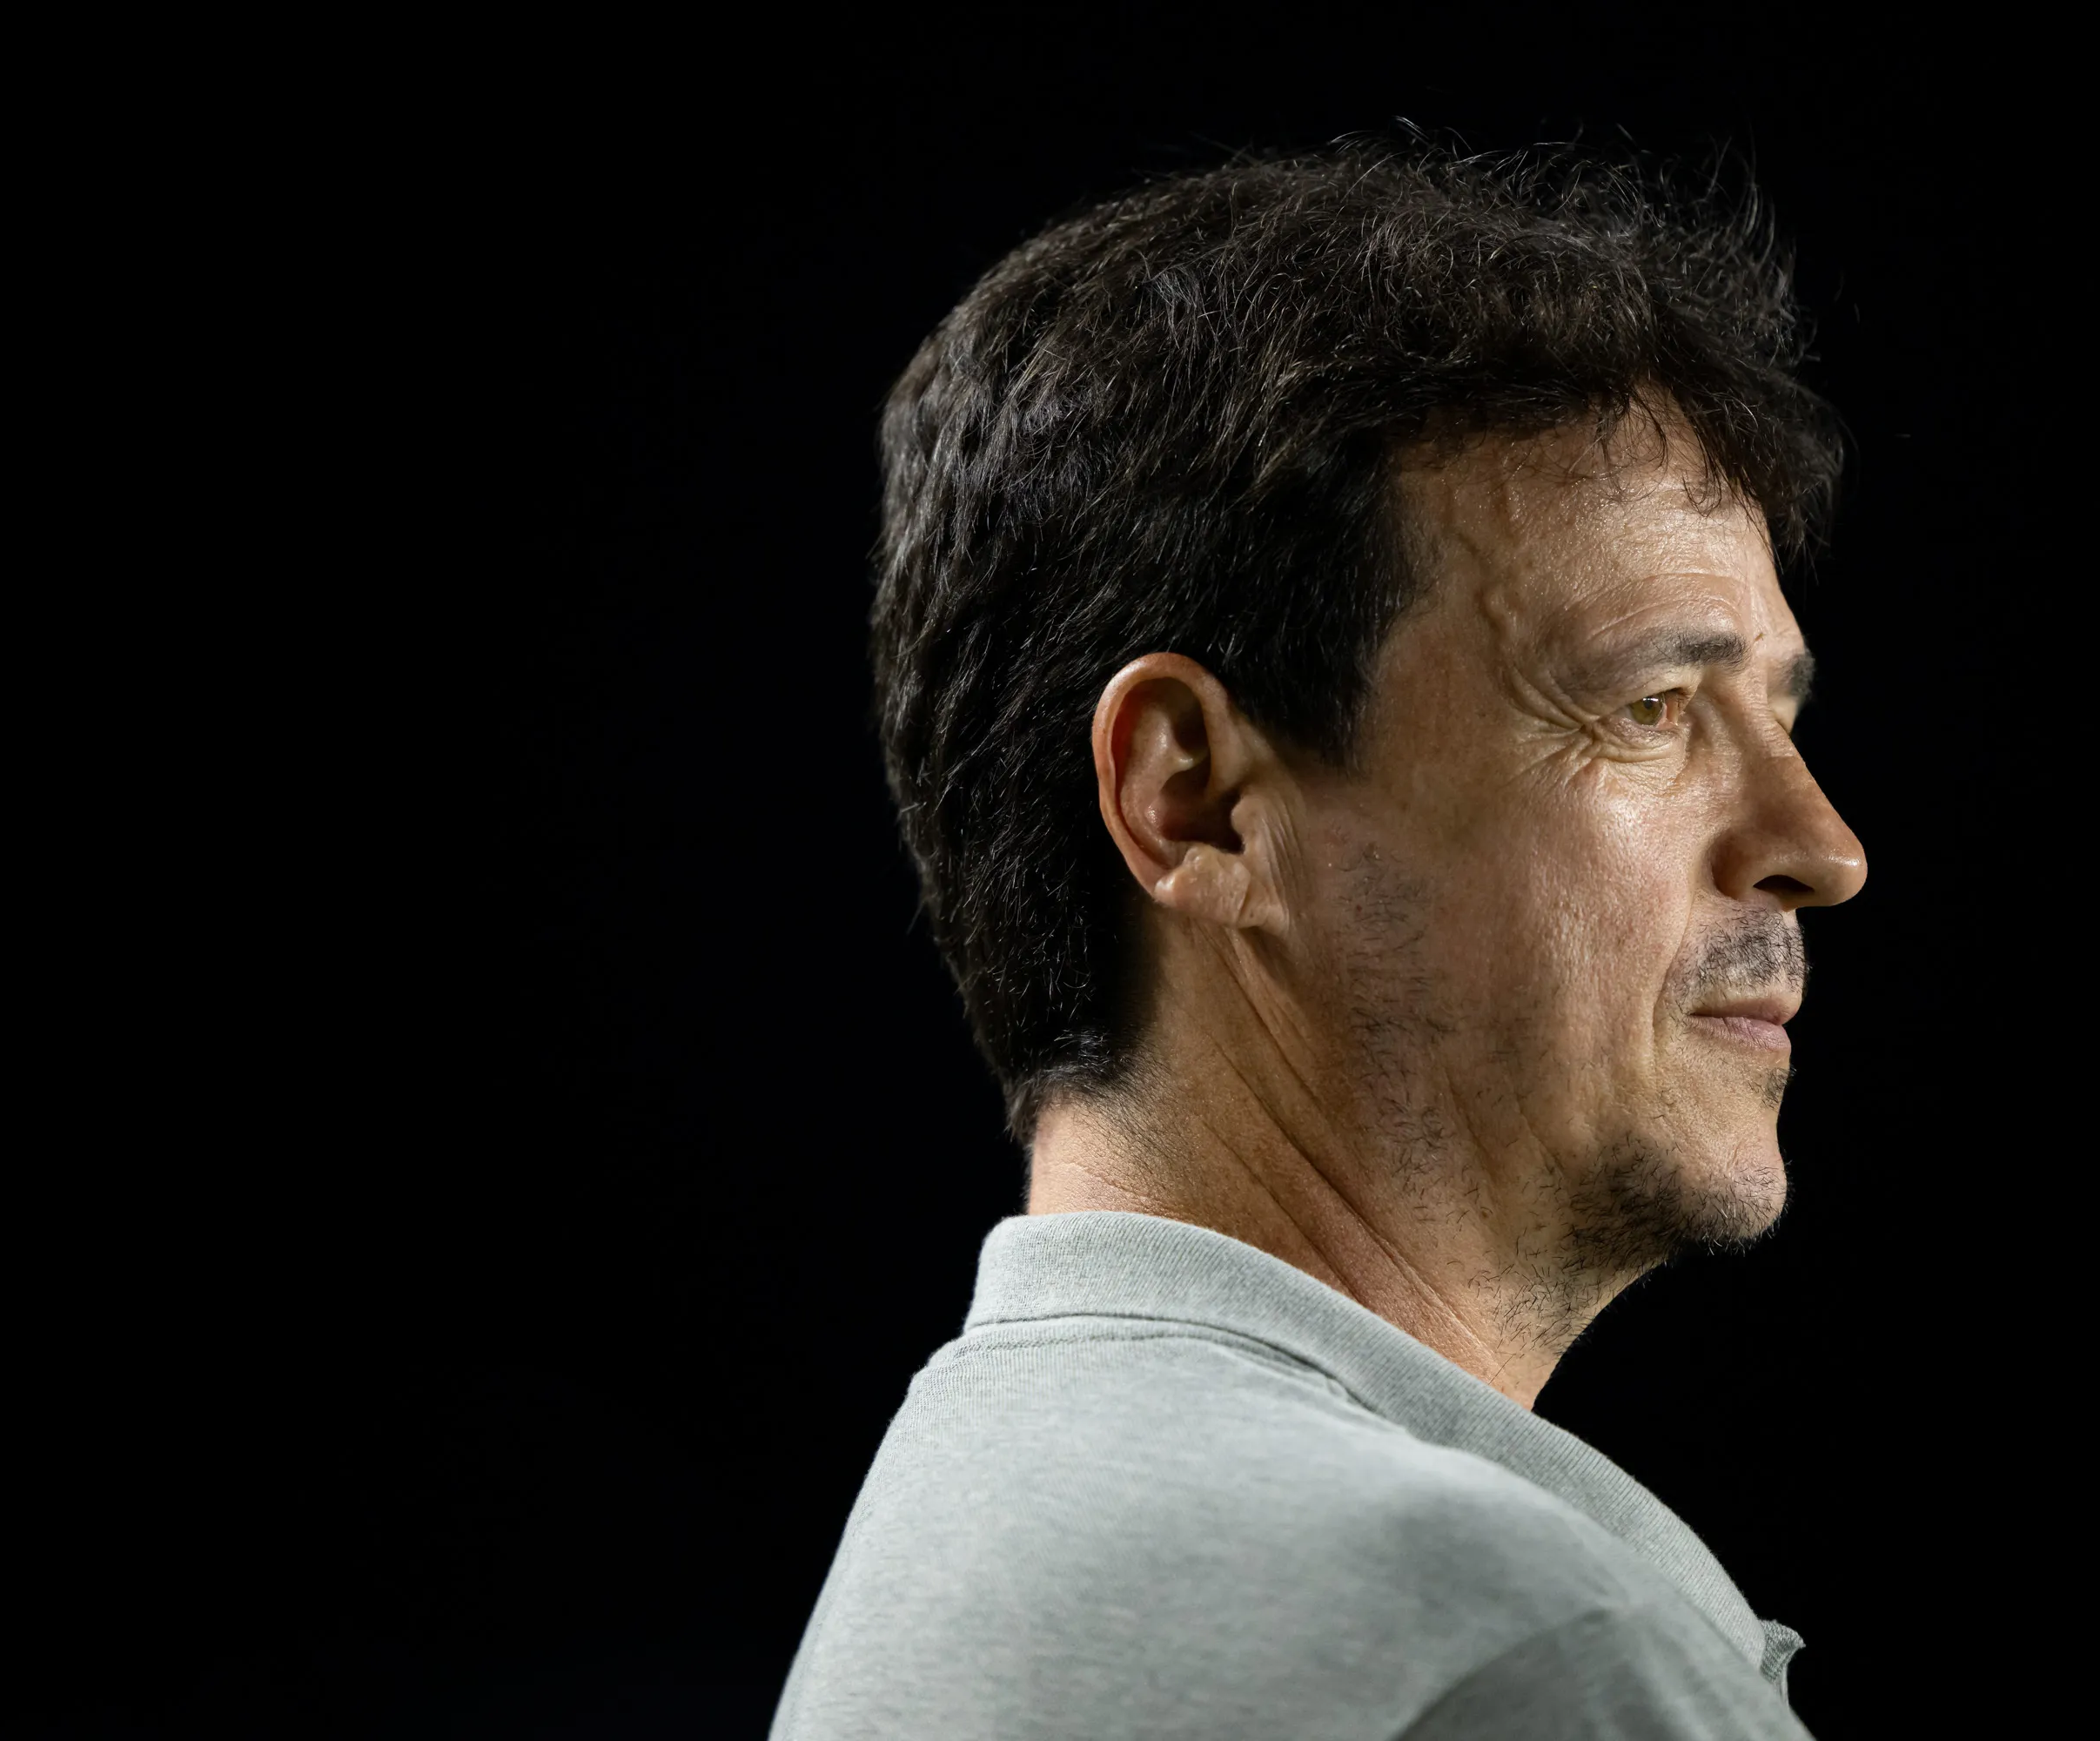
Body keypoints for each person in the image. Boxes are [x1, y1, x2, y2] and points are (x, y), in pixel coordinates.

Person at [773, 144, 1867, 1739]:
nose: (1821, 851)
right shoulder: (1505, 1651)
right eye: (1649, 708)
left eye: (1777, 715)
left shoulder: (989, 1497)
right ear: (1197, 802)